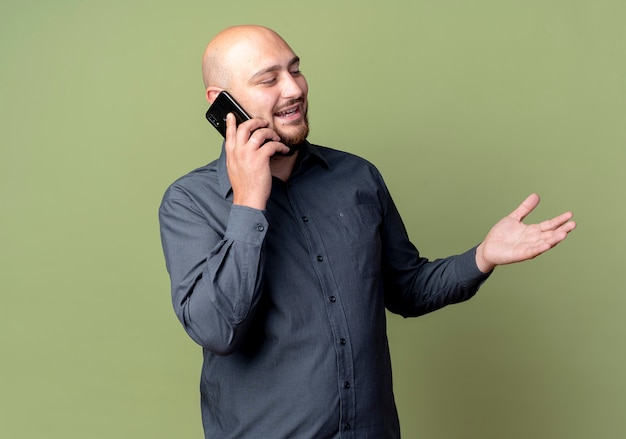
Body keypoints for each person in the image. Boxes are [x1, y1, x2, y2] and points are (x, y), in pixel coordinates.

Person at [158, 25, 576, 439]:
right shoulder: (190, 203)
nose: (293, 89)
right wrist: (249, 202)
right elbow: (217, 330)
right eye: (269, 79)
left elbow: (407, 289)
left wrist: (483, 255)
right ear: (222, 102)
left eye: (295, 70)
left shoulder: (357, 178)